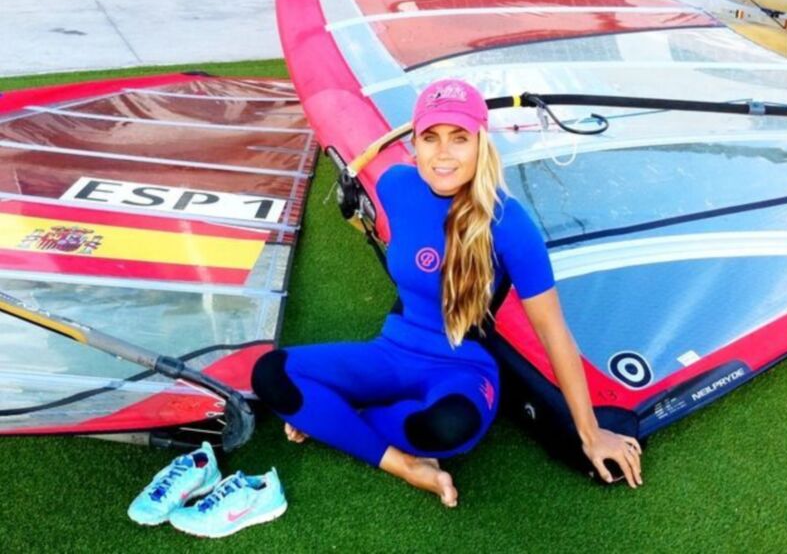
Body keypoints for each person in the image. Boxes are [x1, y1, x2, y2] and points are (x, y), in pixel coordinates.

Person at [251, 79, 643, 508]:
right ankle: (404, 464)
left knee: (446, 429)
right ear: (414, 142)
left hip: (461, 368)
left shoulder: (509, 223)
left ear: (481, 143)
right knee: (271, 373)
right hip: (394, 350)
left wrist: (590, 433)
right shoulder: (396, 186)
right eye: (430, 138)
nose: (443, 153)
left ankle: (336, 416)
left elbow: (553, 333)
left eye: (459, 138)